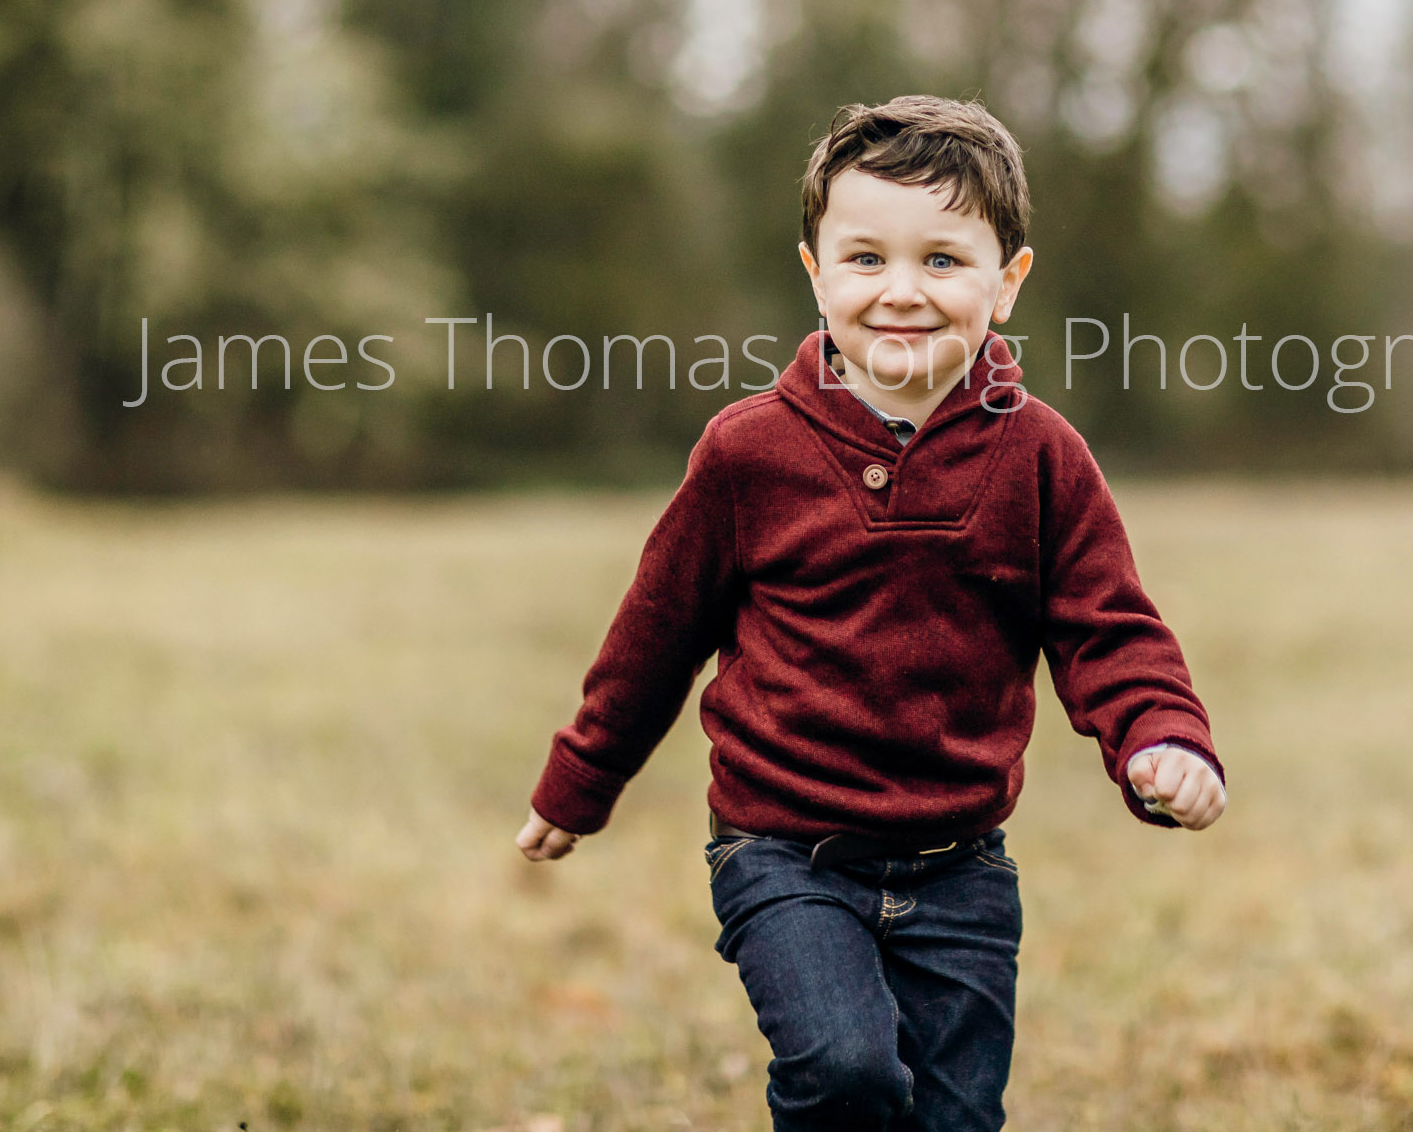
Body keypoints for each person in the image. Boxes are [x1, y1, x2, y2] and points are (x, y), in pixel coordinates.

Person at [517, 95, 1227, 1130]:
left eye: (943, 261)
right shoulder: (747, 454)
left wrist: (1163, 737)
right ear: (814, 271)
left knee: (952, 1118)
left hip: (961, 867)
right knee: (847, 1070)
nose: (903, 292)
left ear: (1009, 281)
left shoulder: (1040, 459)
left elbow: (1107, 626)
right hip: (782, 848)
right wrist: (581, 777)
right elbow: (657, 632)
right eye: (866, 260)